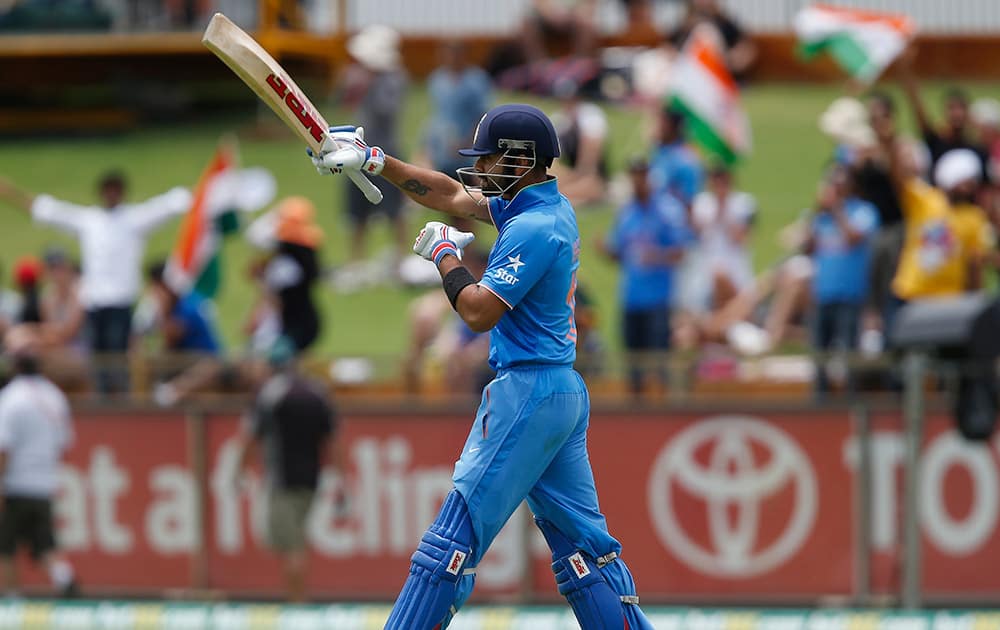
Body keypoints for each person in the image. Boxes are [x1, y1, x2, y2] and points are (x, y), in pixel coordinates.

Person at [309, 103, 655, 629]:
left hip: (527, 393)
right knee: (586, 553)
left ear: (519, 159)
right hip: (559, 390)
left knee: (450, 542)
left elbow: (477, 312)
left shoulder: (533, 228)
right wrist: (376, 160)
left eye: (489, 156)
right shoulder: (542, 207)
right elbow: (448, 192)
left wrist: (446, 255)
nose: (480, 166)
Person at [0, 172, 191, 393]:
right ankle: (102, 398)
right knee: (98, 358)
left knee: (118, 357)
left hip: (121, 302)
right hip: (95, 302)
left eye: (115, 189)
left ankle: (119, 397)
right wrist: (12, 194)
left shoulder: (133, 219)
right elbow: (52, 212)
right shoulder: (90, 221)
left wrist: (207, 191)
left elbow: (169, 205)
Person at [233, 336, 343, 602]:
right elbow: (332, 440)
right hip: (311, 478)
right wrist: (342, 480)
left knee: (291, 544)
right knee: (297, 539)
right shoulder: (317, 392)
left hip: (281, 478)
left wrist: (238, 469)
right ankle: (297, 598)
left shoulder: (270, 393)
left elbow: (251, 435)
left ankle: (297, 602)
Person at [598, 158, 687, 396]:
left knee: (659, 363)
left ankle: (664, 410)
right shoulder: (627, 212)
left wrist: (655, 256)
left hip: (658, 299)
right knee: (633, 364)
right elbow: (621, 252)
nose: (638, 181)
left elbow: (680, 252)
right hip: (631, 298)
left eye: (642, 175)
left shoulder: (668, 210)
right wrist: (606, 251)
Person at [0, 327, 77, 597]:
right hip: (44, 483)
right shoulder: (55, 396)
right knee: (45, 545)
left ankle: (10, 599)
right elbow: (64, 443)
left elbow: (3, 449)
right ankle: (64, 579)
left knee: (5, 547)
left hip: (15, 484)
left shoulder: (11, 398)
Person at [803, 166, 879, 396]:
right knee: (819, 356)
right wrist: (816, 213)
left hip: (850, 295)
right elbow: (807, 247)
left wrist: (836, 210)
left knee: (849, 355)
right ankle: (820, 402)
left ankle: (851, 402)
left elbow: (853, 237)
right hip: (823, 293)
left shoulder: (863, 211)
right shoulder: (820, 217)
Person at [338, 25, 409, 266]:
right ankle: (356, 260)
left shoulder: (394, 78)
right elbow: (342, 101)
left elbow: (386, 110)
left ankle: (400, 259)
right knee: (356, 211)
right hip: (357, 150)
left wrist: (368, 84)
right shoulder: (359, 75)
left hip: (385, 151)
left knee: (394, 209)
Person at [686, 164, 756, 311]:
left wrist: (724, 209)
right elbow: (696, 234)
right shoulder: (701, 203)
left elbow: (741, 238)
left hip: (736, 270)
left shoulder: (744, 204)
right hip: (705, 270)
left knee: (721, 277)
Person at [424, 41, 494, 180]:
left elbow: (482, 116)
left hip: (468, 153)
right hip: (442, 151)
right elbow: (437, 115)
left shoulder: (476, 80)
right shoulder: (437, 79)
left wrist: (467, 143)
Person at [549, 82, 610, 207]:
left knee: (589, 186)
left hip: (591, 175)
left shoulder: (591, 115)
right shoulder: (559, 119)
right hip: (572, 173)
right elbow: (552, 161)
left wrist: (576, 176)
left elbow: (590, 160)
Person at [668, 0, 756, 80]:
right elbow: (670, 49)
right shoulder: (685, 26)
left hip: (718, 72)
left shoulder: (725, 23)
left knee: (706, 31)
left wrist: (734, 58)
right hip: (690, 71)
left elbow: (747, 50)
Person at [648, 105, 704, 208]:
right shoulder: (659, 151)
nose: (657, 128)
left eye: (662, 123)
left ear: (672, 127)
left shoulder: (686, 159)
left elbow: (689, 201)